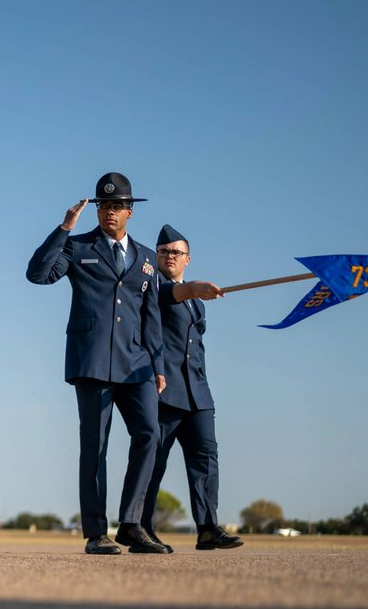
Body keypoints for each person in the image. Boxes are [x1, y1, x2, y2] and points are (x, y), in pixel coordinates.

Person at [26, 172, 168, 555]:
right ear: (98, 210)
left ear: (129, 213)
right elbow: (37, 275)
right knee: (96, 446)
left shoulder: (148, 259)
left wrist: (158, 366)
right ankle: (95, 533)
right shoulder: (76, 246)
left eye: (118, 206)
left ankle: (132, 524)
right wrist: (63, 228)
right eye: (104, 206)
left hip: (137, 363)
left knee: (149, 435)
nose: (110, 212)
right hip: (91, 363)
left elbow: (151, 317)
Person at [141, 224, 243, 552]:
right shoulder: (148, 287)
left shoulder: (198, 304)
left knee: (205, 460)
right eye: (163, 252)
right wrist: (195, 288)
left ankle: (208, 527)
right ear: (156, 257)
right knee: (153, 462)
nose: (169, 257)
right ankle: (141, 526)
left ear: (188, 258)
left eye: (176, 253)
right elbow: (170, 296)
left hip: (198, 392)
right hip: (163, 391)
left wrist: (195, 293)